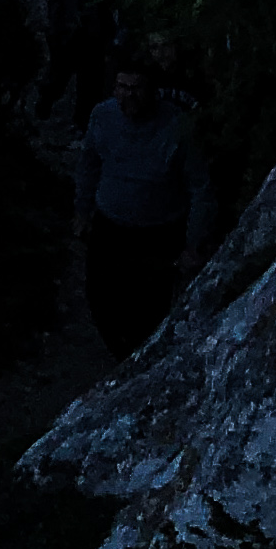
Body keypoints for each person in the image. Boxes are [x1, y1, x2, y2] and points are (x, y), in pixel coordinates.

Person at [76, 48, 218, 355]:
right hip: (110, 226)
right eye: (122, 88)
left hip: (158, 234)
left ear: (151, 90)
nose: (128, 97)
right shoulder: (102, 116)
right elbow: (88, 164)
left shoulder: (177, 126)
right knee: (101, 298)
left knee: (148, 310)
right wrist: (81, 212)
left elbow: (200, 187)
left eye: (136, 88)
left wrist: (194, 244)